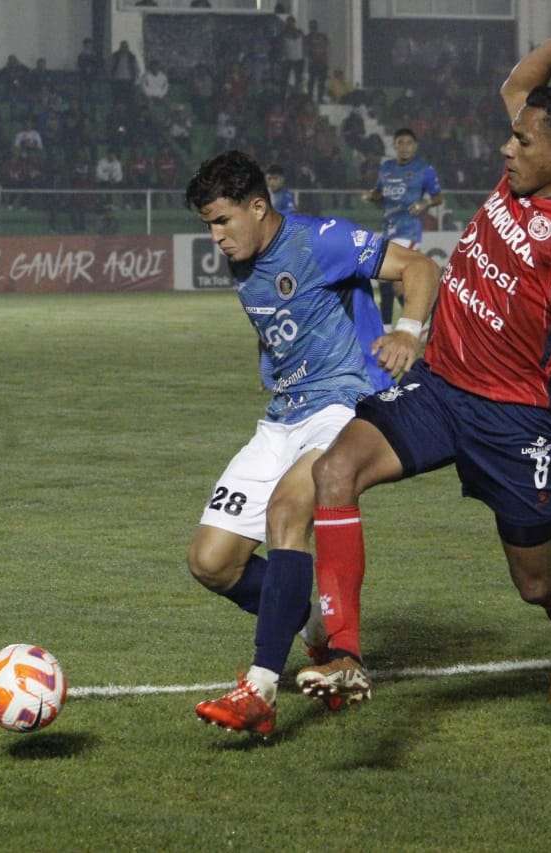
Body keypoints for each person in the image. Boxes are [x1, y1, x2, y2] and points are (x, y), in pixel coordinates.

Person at [295, 6, 551, 716]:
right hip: (440, 387)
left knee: (534, 584)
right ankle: (344, 649)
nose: (506, 148)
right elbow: (519, 84)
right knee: (335, 470)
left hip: (513, 419)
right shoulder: (521, 177)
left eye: (521, 140)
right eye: (511, 134)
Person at [186, 151, 439, 737]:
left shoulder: (319, 240)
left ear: (258, 205)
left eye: (223, 221)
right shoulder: (246, 260)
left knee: (287, 512)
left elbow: (419, 268)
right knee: (212, 561)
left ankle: (261, 689)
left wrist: (407, 331)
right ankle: (309, 622)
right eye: (208, 226)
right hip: (281, 417)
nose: (216, 237)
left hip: (342, 406)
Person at [366, 128, 443, 330]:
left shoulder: (424, 169)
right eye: (401, 142)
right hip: (389, 228)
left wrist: (424, 204)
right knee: (396, 282)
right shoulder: (386, 168)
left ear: (415, 146)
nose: (405, 147)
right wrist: (372, 196)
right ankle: (426, 323)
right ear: (394, 145)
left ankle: (388, 326)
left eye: (409, 143)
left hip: (408, 230)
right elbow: (379, 195)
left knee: (385, 274)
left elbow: (438, 197)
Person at [305, 20, 329, 103]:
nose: (312, 27)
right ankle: (310, 98)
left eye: (314, 25)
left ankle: (320, 98)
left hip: (322, 62)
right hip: (313, 63)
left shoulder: (322, 36)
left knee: (321, 82)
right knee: (311, 82)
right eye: (311, 26)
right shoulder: (307, 38)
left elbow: (326, 47)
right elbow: (306, 50)